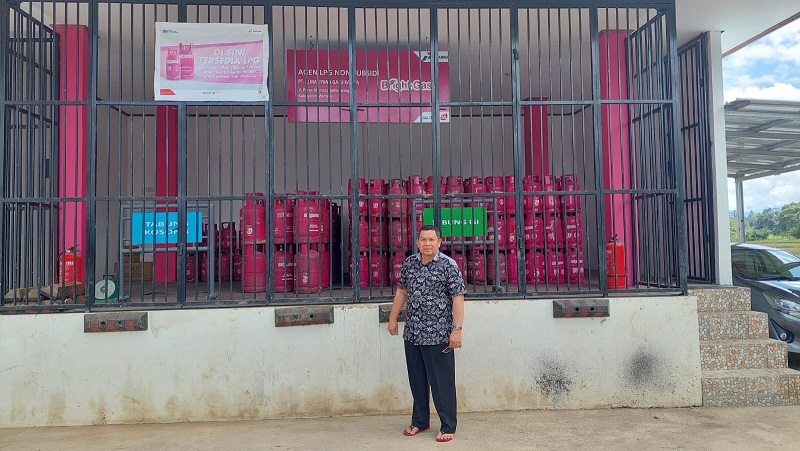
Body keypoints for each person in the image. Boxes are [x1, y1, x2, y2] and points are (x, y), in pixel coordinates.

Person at [387, 225, 467, 443]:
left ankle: (448, 425)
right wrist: (393, 318)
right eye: (423, 239)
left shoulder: (448, 265)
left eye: (432, 239)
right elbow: (402, 291)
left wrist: (457, 330)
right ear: (417, 242)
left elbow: (458, 298)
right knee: (417, 381)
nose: (427, 243)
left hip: (439, 335)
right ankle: (420, 420)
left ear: (439, 242)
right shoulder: (409, 264)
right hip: (413, 333)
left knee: (442, 383)